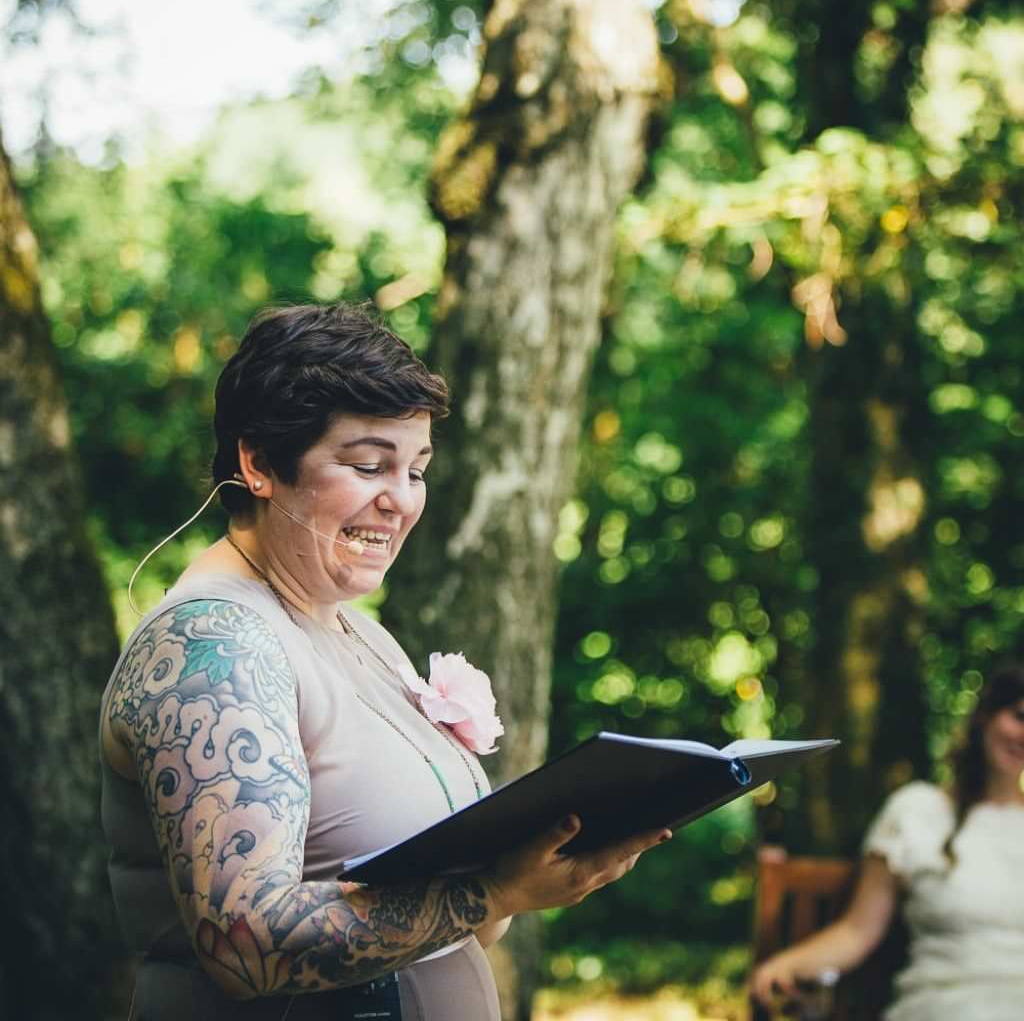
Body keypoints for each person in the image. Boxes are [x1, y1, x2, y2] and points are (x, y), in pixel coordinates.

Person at [99, 303, 671, 1021]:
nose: (399, 500)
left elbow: (461, 919)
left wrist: (542, 860)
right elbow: (246, 944)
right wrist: (494, 891)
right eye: (368, 465)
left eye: (416, 470)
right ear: (259, 463)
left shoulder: (361, 633)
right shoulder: (212, 648)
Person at [751, 665, 1024, 1021]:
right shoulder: (917, 810)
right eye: (1019, 716)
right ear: (987, 716)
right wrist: (785, 966)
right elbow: (857, 930)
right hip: (945, 1008)